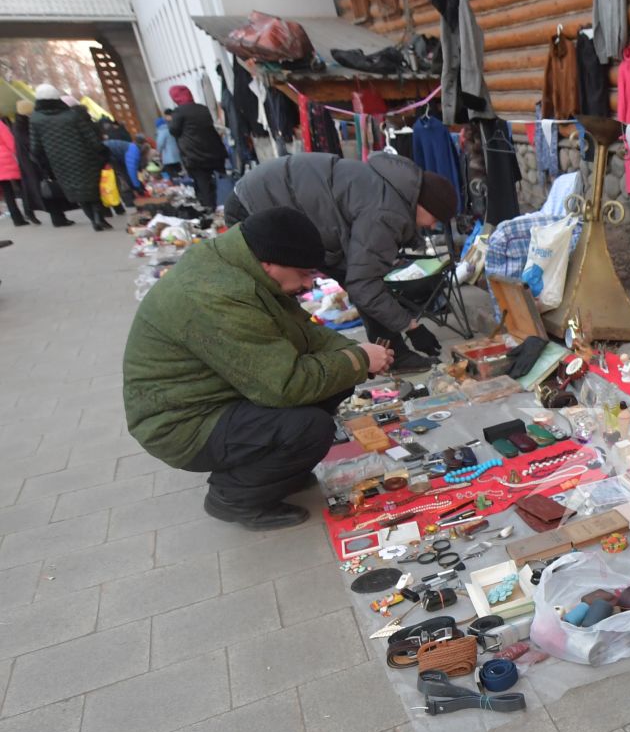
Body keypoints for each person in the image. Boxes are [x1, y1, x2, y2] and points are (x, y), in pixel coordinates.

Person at [122, 205, 396, 530]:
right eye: (305, 273)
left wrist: (354, 353)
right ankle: (232, 497)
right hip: (180, 424)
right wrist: (358, 361)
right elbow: (285, 385)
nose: (309, 283)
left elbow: (302, 333)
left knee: (335, 381)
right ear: (270, 263)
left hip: (213, 397)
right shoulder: (220, 294)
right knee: (308, 428)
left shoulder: (243, 265)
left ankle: (276, 471)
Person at [225, 152, 458, 372]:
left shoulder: (393, 187)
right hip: (254, 207)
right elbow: (363, 284)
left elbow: (362, 277)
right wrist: (411, 326)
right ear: (423, 205)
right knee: (276, 296)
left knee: (360, 279)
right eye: (435, 218)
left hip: (268, 195)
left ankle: (393, 355)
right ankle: (291, 372)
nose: (431, 226)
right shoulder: (387, 212)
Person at [27, 84, 110, 230]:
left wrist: (43, 161)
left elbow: (35, 147)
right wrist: (102, 151)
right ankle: (99, 217)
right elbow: (90, 137)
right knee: (93, 189)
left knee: (76, 191)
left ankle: (93, 219)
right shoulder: (72, 115)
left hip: (59, 163)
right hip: (84, 158)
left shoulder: (35, 119)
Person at [166, 84, 228, 213]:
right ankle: (225, 203)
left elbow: (174, 130)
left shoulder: (178, 112)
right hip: (214, 150)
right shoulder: (202, 108)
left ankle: (210, 209)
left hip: (194, 154)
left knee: (202, 182)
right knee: (219, 180)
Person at [0, 113, 38, 226]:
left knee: (7, 193)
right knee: (22, 187)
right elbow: (10, 141)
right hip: (7, 160)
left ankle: (16, 219)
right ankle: (29, 212)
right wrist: (18, 155)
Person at [155, 111, 182, 178]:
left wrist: (158, 152)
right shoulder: (170, 128)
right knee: (179, 172)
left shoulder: (161, 131)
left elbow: (160, 143)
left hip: (168, 157)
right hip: (176, 155)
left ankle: (177, 185)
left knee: (172, 175)